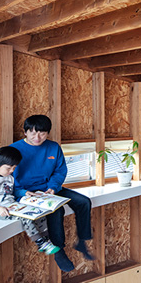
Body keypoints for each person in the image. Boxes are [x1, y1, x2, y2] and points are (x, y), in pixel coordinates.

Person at [11, 115, 93, 272]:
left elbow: (60, 170)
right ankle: (58, 250)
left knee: (84, 202)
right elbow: (6, 179)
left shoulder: (53, 147)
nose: (37, 137)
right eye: (33, 133)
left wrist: (53, 188)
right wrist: (23, 192)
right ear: (25, 132)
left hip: (50, 189)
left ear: (47, 133)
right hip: (28, 193)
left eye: (42, 133)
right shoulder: (14, 150)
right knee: (56, 210)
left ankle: (82, 241)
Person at [0, 146, 60, 255]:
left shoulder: (9, 177)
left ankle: (45, 239)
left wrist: (24, 193)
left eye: (14, 168)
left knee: (40, 213)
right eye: (8, 168)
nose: (11, 171)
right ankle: (41, 243)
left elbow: (11, 191)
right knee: (26, 217)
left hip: (13, 206)